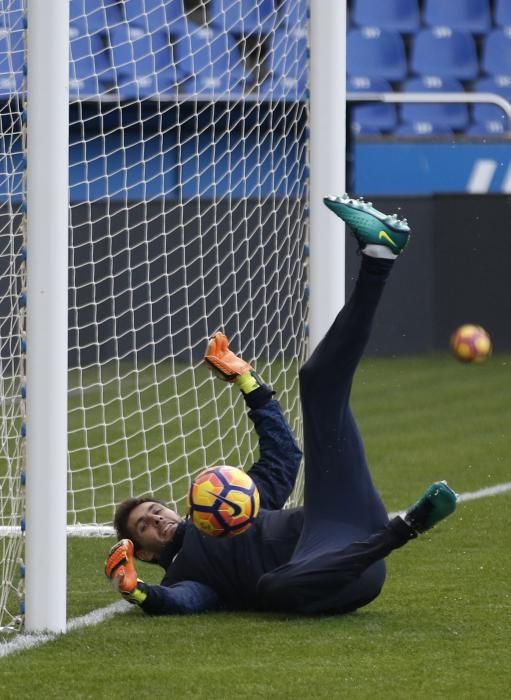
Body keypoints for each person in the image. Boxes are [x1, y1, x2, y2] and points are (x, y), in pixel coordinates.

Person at [105, 194, 457, 616]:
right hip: (332, 577)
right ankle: (408, 527)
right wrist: (139, 592)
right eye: (144, 526)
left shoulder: (228, 505)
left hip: (340, 519)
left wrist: (248, 383)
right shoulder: (186, 572)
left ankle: (379, 255)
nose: (157, 519)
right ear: (143, 553)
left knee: (317, 381)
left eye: (155, 510)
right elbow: (184, 600)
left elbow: (284, 456)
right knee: (272, 588)